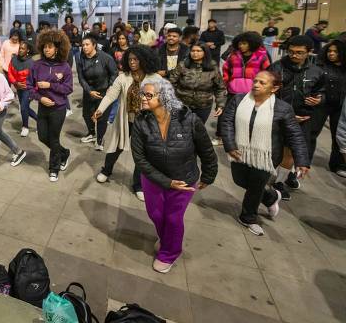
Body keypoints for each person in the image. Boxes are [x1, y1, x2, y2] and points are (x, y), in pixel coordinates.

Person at [132, 78, 217, 273]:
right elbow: (140, 159)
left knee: (172, 219)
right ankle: (165, 239)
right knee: (155, 215)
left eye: (148, 95)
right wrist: (166, 182)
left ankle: (169, 252)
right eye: (142, 94)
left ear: (164, 97)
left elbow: (206, 150)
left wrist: (208, 175)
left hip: (183, 179)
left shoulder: (189, 120)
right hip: (153, 179)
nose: (143, 99)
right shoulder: (140, 121)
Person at [221, 71, 310, 236]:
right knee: (240, 180)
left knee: (255, 187)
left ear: (274, 88)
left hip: (266, 156)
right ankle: (270, 197)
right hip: (240, 151)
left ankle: (247, 218)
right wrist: (230, 144)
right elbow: (227, 121)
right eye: (255, 81)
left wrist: (302, 161)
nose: (256, 85)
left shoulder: (283, 108)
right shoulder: (239, 99)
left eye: (262, 83)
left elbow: (295, 135)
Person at [93, 45, 163, 201]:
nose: (132, 62)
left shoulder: (155, 78)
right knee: (115, 146)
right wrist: (100, 110)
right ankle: (106, 170)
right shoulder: (123, 77)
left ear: (144, 60)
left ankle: (138, 184)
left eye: (136, 59)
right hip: (125, 120)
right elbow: (111, 96)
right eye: (130, 59)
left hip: (146, 123)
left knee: (142, 154)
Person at [268, 35, 325, 197]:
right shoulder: (276, 67)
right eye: (291, 52)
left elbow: (322, 93)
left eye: (299, 52)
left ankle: (280, 181)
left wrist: (318, 100)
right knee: (276, 151)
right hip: (277, 118)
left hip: (303, 119)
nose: (294, 55)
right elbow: (266, 92)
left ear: (309, 52)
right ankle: (273, 180)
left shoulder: (317, 72)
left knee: (291, 153)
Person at [27, 29, 74, 182]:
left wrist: (50, 85)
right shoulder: (36, 65)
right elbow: (29, 87)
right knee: (42, 136)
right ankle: (64, 152)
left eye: (50, 46)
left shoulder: (64, 67)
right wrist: (40, 99)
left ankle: (54, 168)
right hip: (43, 107)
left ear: (57, 48)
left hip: (58, 108)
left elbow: (68, 89)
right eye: (45, 46)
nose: (47, 49)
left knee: (53, 139)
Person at [169, 43, 227, 124]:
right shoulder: (183, 65)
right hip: (182, 105)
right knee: (180, 129)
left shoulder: (212, 67)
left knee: (197, 130)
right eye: (193, 51)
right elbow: (171, 83)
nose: (195, 53)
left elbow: (220, 87)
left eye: (198, 51)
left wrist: (220, 104)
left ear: (205, 52)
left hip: (203, 106)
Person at [312, 40, 346, 176]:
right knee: (312, 132)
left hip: (340, 107)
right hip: (322, 104)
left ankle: (337, 165)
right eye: (329, 51)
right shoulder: (320, 66)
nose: (331, 54)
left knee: (338, 135)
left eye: (335, 51)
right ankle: (303, 160)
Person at [77, 36, 118, 149]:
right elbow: (81, 78)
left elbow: (114, 73)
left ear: (94, 45)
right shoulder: (81, 59)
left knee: (101, 118)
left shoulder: (106, 57)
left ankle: (100, 139)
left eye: (87, 44)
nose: (84, 47)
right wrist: (89, 91)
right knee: (86, 115)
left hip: (103, 92)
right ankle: (92, 134)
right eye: (83, 45)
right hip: (89, 92)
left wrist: (110, 86)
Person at [8, 41, 38, 137]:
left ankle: (25, 127)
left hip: (28, 89)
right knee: (25, 108)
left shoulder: (32, 63)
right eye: (20, 48)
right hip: (18, 88)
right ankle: (40, 121)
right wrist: (15, 83)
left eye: (23, 48)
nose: (20, 50)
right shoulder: (14, 60)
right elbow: (10, 72)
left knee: (23, 108)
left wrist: (34, 91)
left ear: (27, 50)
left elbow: (36, 78)